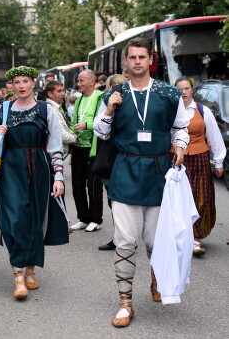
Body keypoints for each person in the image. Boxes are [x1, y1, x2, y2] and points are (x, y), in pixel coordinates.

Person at [94, 37, 189, 327]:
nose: (137, 62)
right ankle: (125, 304)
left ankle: (156, 276)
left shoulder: (169, 94)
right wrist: (109, 109)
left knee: (153, 240)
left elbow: (181, 127)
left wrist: (181, 147)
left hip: (159, 171)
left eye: (141, 57)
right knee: (125, 241)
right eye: (132, 57)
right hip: (124, 171)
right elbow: (100, 131)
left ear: (150, 60)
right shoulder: (114, 93)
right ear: (126, 62)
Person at [0, 66, 68, 300]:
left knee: (36, 219)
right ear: (12, 86)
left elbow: (56, 146)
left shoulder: (46, 109)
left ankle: (30, 270)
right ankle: (18, 275)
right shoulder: (3, 109)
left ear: (33, 83)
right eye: (16, 82)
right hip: (10, 169)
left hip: (38, 167)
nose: (21, 86)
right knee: (14, 219)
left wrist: (58, 177)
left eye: (25, 81)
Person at [174, 76, 226, 256]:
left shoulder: (203, 111)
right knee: (178, 199)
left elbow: (214, 137)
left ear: (192, 90)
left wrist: (218, 161)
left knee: (200, 198)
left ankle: (195, 237)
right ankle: (180, 235)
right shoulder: (170, 111)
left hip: (199, 159)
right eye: (179, 89)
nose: (183, 92)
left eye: (186, 88)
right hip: (176, 159)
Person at [69, 69, 104, 232]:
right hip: (78, 146)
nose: (79, 83)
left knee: (93, 185)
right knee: (77, 184)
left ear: (92, 81)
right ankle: (83, 218)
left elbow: (103, 121)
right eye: (78, 80)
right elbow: (74, 120)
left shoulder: (100, 97)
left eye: (82, 80)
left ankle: (96, 219)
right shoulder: (78, 99)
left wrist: (87, 125)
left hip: (93, 147)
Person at [97, 74, 127, 251]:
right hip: (129, 154)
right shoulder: (133, 102)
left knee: (115, 200)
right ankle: (123, 235)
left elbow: (101, 130)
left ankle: (120, 237)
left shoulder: (107, 102)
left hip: (112, 154)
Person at [45, 80, 77, 166]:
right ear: (50, 94)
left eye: (63, 90)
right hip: (54, 155)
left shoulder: (55, 107)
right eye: (59, 91)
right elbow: (60, 134)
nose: (63, 94)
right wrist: (74, 138)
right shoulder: (51, 109)